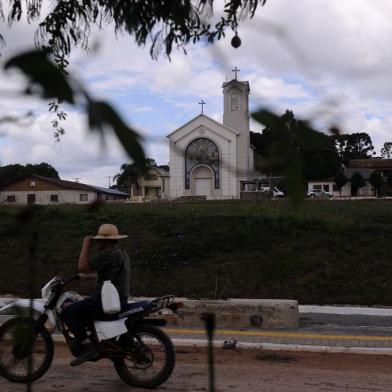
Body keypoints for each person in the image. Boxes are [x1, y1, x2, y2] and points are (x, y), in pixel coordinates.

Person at [62, 223, 131, 366]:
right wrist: (87, 278)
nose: (97, 243)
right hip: (118, 298)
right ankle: (95, 341)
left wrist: (85, 244)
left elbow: (82, 267)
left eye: (99, 240)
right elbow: (111, 276)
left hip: (106, 301)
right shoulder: (122, 253)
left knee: (68, 312)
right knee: (84, 308)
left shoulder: (108, 254)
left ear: (106, 241)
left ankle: (87, 346)